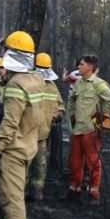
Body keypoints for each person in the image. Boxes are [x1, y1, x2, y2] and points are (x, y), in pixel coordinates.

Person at [0, 31, 45, 219]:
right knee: (17, 194)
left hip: (12, 150)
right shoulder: (37, 81)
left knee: (11, 198)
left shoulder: (15, 85)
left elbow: (9, 123)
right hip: (28, 146)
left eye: (6, 50)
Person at [66, 55, 110, 205]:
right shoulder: (78, 83)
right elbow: (72, 103)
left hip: (91, 130)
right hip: (78, 129)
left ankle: (94, 192)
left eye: (82, 65)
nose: (79, 67)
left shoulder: (98, 84)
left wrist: (101, 118)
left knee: (93, 162)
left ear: (90, 67)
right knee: (75, 162)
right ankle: (74, 189)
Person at [27, 53, 64, 202]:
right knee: (24, 162)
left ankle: (37, 191)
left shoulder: (52, 87)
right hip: (27, 132)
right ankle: (21, 191)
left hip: (43, 133)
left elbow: (60, 106)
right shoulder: (27, 84)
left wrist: (58, 114)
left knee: (40, 164)